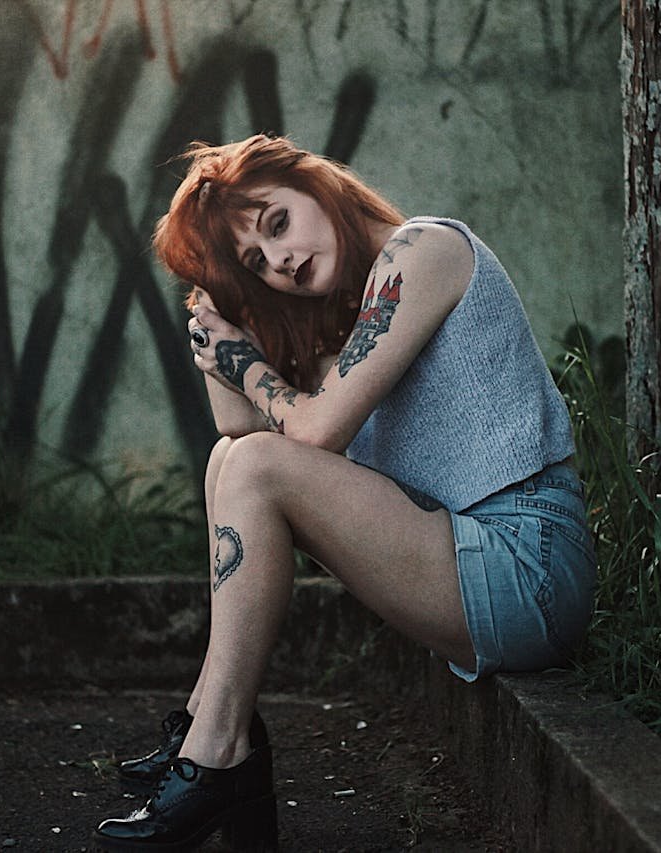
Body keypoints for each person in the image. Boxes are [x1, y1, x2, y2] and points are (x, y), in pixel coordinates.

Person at [92, 134, 596, 851]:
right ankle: (211, 726)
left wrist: (245, 361)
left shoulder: (422, 253)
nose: (283, 260)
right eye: (258, 262)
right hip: (470, 552)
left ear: (313, 181)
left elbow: (315, 428)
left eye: (277, 223)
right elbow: (234, 424)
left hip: (529, 563)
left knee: (261, 466)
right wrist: (217, 302)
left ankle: (218, 755)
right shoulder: (351, 316)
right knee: (231, 459)